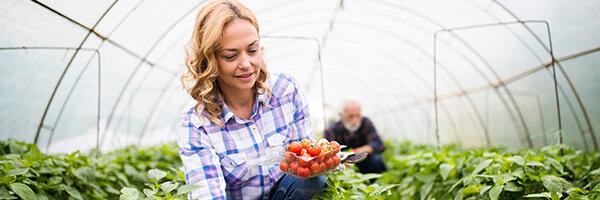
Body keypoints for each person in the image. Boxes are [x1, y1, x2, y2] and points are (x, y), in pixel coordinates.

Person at [177, 0, 326, 199]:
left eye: (252, 50)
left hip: (283, 195)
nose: (246, 64)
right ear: (210, 61)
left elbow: (304, 159)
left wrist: (323, 158)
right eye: (231, 56)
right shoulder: (197, 121)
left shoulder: (285, 91)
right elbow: (207, 194)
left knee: (311, 181)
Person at [324, 100, 387, 174]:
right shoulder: (333, 129)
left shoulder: (366, 123)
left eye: (357, 115)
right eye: (351, 116)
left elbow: (377, 143)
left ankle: (375, 182)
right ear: (341, 115)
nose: (355, 120)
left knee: (376, 160)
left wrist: (354, 152)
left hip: (365, 160)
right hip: (344, 163)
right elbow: (328, 153)